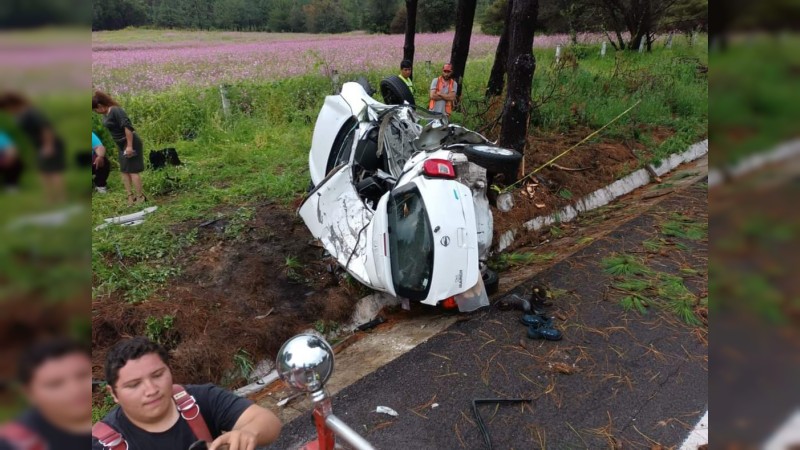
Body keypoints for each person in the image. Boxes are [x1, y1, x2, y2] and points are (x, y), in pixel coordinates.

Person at [92, 336, 282, 450]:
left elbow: (267, 421)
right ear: (114, 393)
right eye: (134, 385)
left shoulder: (200, 399)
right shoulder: (101, 443)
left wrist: (248, 433)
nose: (151, 390)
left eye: (158, 375)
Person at [0, 338, 92, 450]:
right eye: (55, 384)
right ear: (29, 393)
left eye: (83, 375)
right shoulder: (14, 443)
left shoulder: (114, 426)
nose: (76, 389)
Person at [0, 92, 66, 203]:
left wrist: (48, 146)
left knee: (53, 171)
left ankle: (60, 198)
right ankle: (49, 197)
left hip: (50, 144)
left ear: (12, 104)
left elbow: (45, 128)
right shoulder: (21, 114)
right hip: (40, 145)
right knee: (43, 172)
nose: (8, 112)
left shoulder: (31, 112)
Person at [92, 91, 146, 206]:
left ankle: (140, 197)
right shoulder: (106, 114)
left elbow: (127, 127)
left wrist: (130, 146)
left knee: (132, 170)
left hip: (129, 142)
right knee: (124, 171)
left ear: (100, 106)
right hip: (121, 144)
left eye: (95, 109)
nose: (96, 112)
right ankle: (130, 197)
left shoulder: (116, 110)